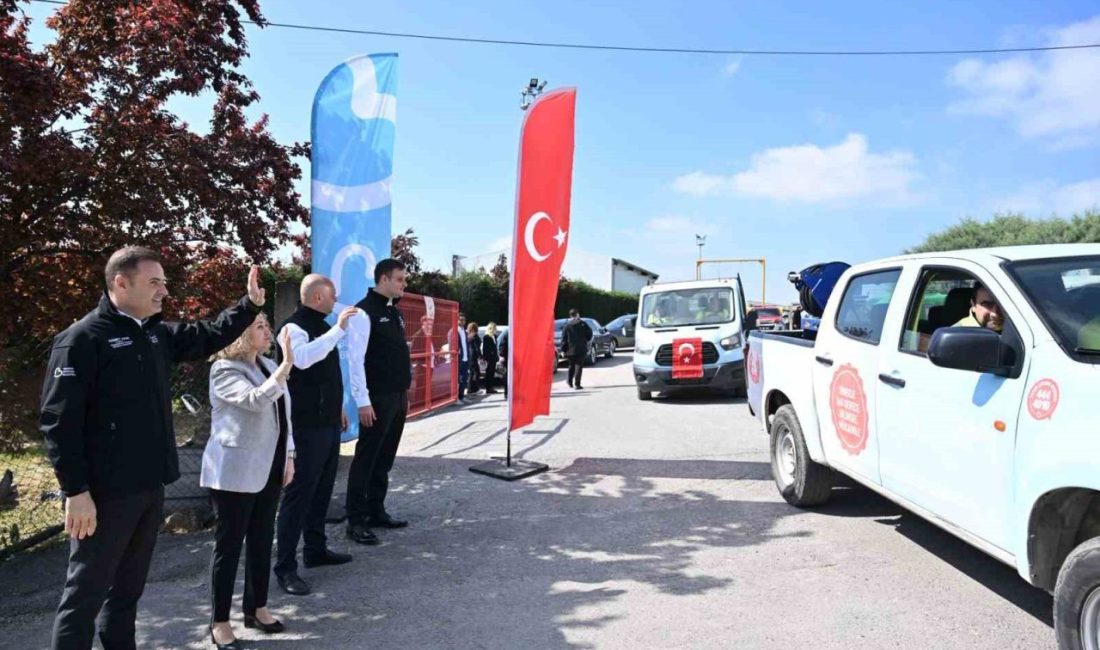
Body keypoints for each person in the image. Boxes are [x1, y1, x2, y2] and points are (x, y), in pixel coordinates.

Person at [41, 246, 265, 650]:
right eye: (154, 283)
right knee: (83, 598)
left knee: (127, 595)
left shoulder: (153, 333)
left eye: (164, 282)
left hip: (148, 487)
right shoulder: (81, 340)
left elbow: (206, 336)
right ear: (120, 283)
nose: (164, 291)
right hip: (104, 494)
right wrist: (76, 491)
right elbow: (60, 424)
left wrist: (248, 306)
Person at [201, 316, 296, 649]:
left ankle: (257, 608)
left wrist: (290, 456)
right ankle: (220, 622)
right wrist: (286, 366)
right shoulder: (224, 369)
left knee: (260, 540)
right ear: (241, 334)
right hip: (234, 471)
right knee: (228, 548)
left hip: (270, 465)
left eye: (267, 326)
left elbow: (284, 413)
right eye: (259, 326)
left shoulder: (269, 363)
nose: (268, 331)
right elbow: (256, 400)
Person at [273, 275, 358, 597]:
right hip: (305, 427)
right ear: (319, 296)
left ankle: (315, 549)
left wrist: (336, 407)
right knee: (298, 496)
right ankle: (285, 568)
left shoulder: (321, 325)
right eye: (333, 295)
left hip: (326, 422)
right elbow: (303, 361)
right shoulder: (294, 327)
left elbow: (326, 373)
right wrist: (339, 329)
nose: (337, 300)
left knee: (322, 489)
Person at [345, 259, 413, 545]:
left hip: (397, 396)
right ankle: (356, 520)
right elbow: (355, 360)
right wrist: (363, 401)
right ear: (383, 279)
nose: (404, 284)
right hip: (376, 397)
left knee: (384, 458)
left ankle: (376, 511)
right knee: (367, 458)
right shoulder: (363, 312)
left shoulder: (394, 312)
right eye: (400, 279)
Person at [561, 309, 592, 390]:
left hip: (570, 349)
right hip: (581, 348)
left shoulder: (567, 325)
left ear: (570, 316)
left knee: (571, 365)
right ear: (577, 314)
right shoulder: (583, 324)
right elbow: (589, 334)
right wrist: (586, 340)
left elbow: (564, 339)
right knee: (579, 366)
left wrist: (563, 350)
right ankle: (577, 384)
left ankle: (570, 382)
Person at [454, 313, 471, 405]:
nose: (462, 321)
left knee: (464, 378)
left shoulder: (464, 331)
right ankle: (456, 398)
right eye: (460, 319)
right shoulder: (454, 331)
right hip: (458, 360)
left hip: (465, 358)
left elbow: (466, 345)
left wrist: (468, 356)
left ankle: (462, 396)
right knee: (458, 379)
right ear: (456, 320)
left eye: (464, 320)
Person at [482, 323, 500, 394]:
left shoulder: (495, 336)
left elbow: (495, 348)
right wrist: (486, 357)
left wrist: (496, 356)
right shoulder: (486, 337)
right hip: (489, 358)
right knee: (488, 373)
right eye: (495, 328)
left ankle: (491, 387)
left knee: (492, 373)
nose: (496, 329)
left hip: (494, 358)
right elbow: (485, 348)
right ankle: (488, 388)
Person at [467, 322, 482, 394]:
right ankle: (474, 389)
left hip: (469, 356)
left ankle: (471, 388)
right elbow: (477, 348)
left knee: (472, 373)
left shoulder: (468, 336)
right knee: (476, 373)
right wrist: (480, 356)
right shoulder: (475, 337)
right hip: (474, 356)